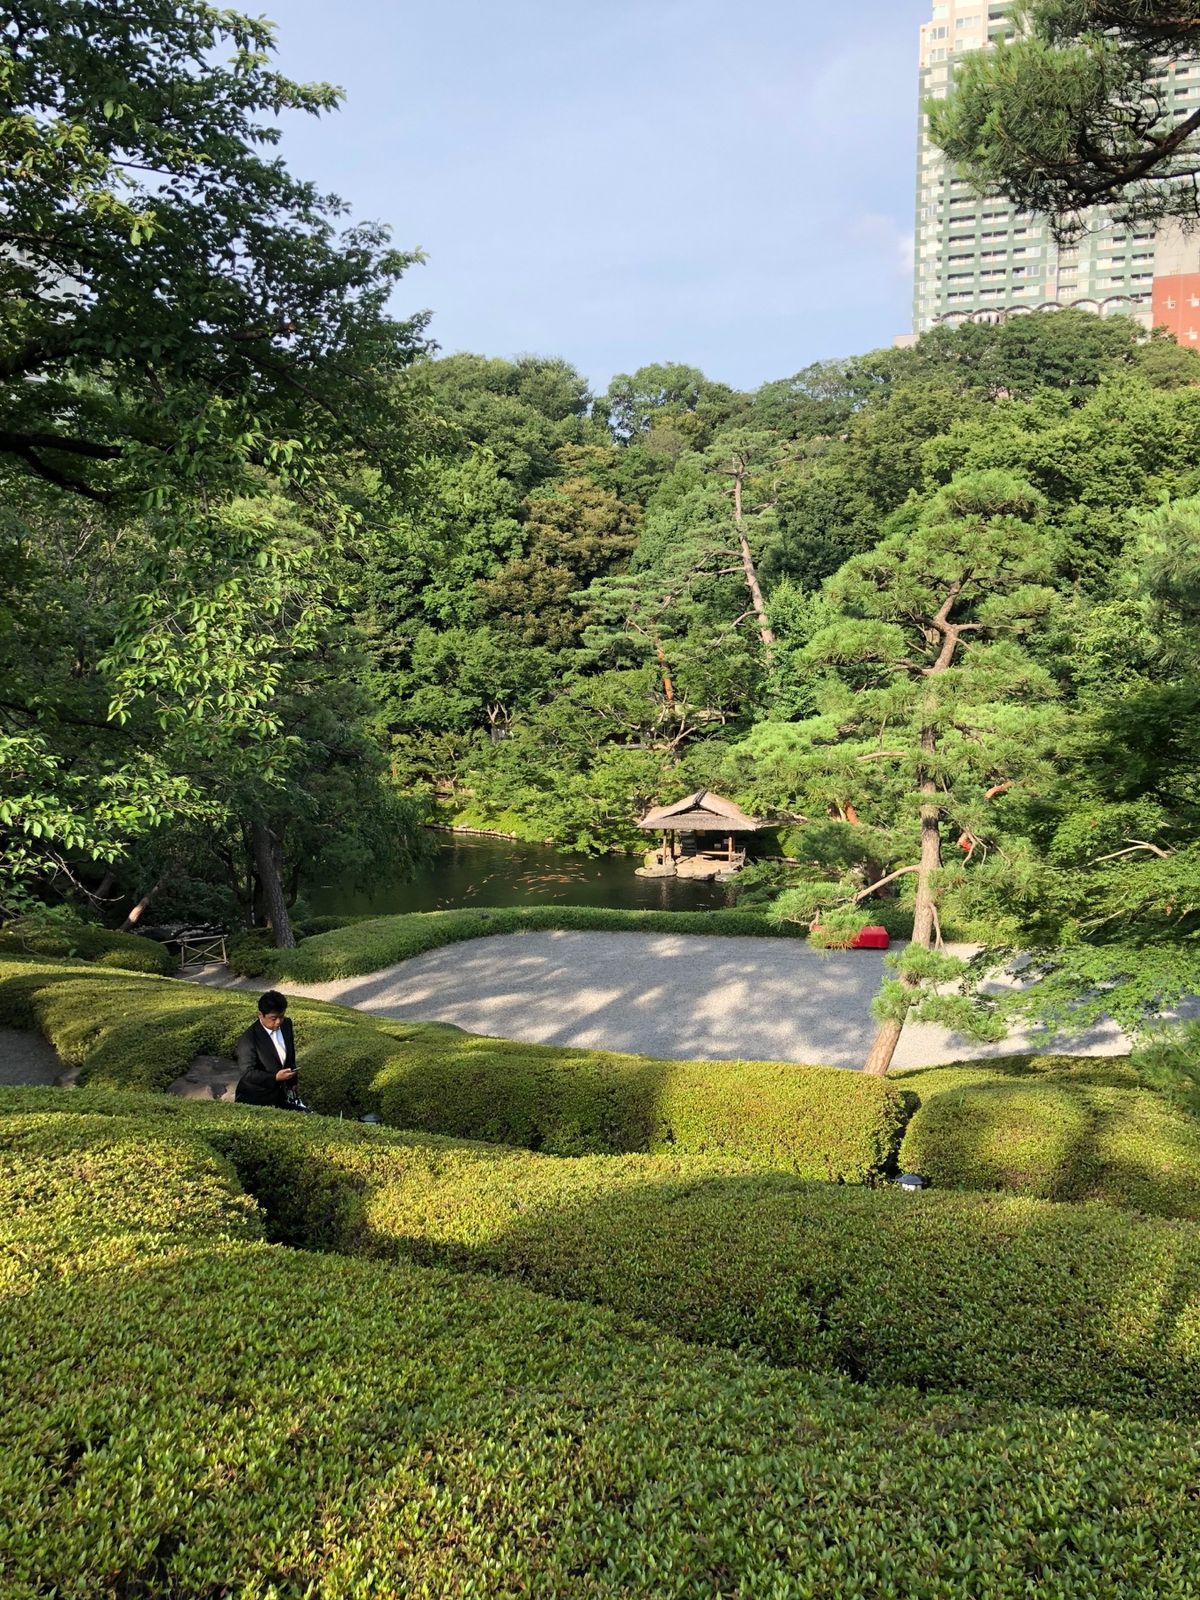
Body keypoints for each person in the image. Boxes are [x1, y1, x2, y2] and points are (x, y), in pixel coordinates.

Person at [234, 991, 306, 1109]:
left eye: (281, 1016)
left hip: (280, 1095)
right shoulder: (248, 1039)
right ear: (260, 1015)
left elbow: (290, 1054)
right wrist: (275, 1077)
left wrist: (292, 1082)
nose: (278, 1022)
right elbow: (247, 1073)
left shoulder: (286, 1024)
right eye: (273, 1018)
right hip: (255, 1099)